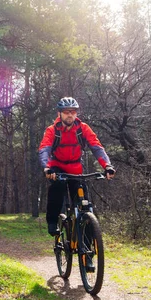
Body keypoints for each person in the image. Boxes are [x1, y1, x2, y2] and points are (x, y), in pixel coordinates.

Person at [38, 97, 115, 236]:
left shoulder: (83, 128)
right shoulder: (52, 130)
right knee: (57, 188)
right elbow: (45, 149)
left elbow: (96, 147)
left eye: (73, 112)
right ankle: (52, 222)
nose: (70, 115)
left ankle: (87, 247)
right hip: (57, 167)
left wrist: (107, 165)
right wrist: (47, 167)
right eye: (67, 112)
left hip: (76, 169)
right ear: (59, 114)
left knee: (83, 203)